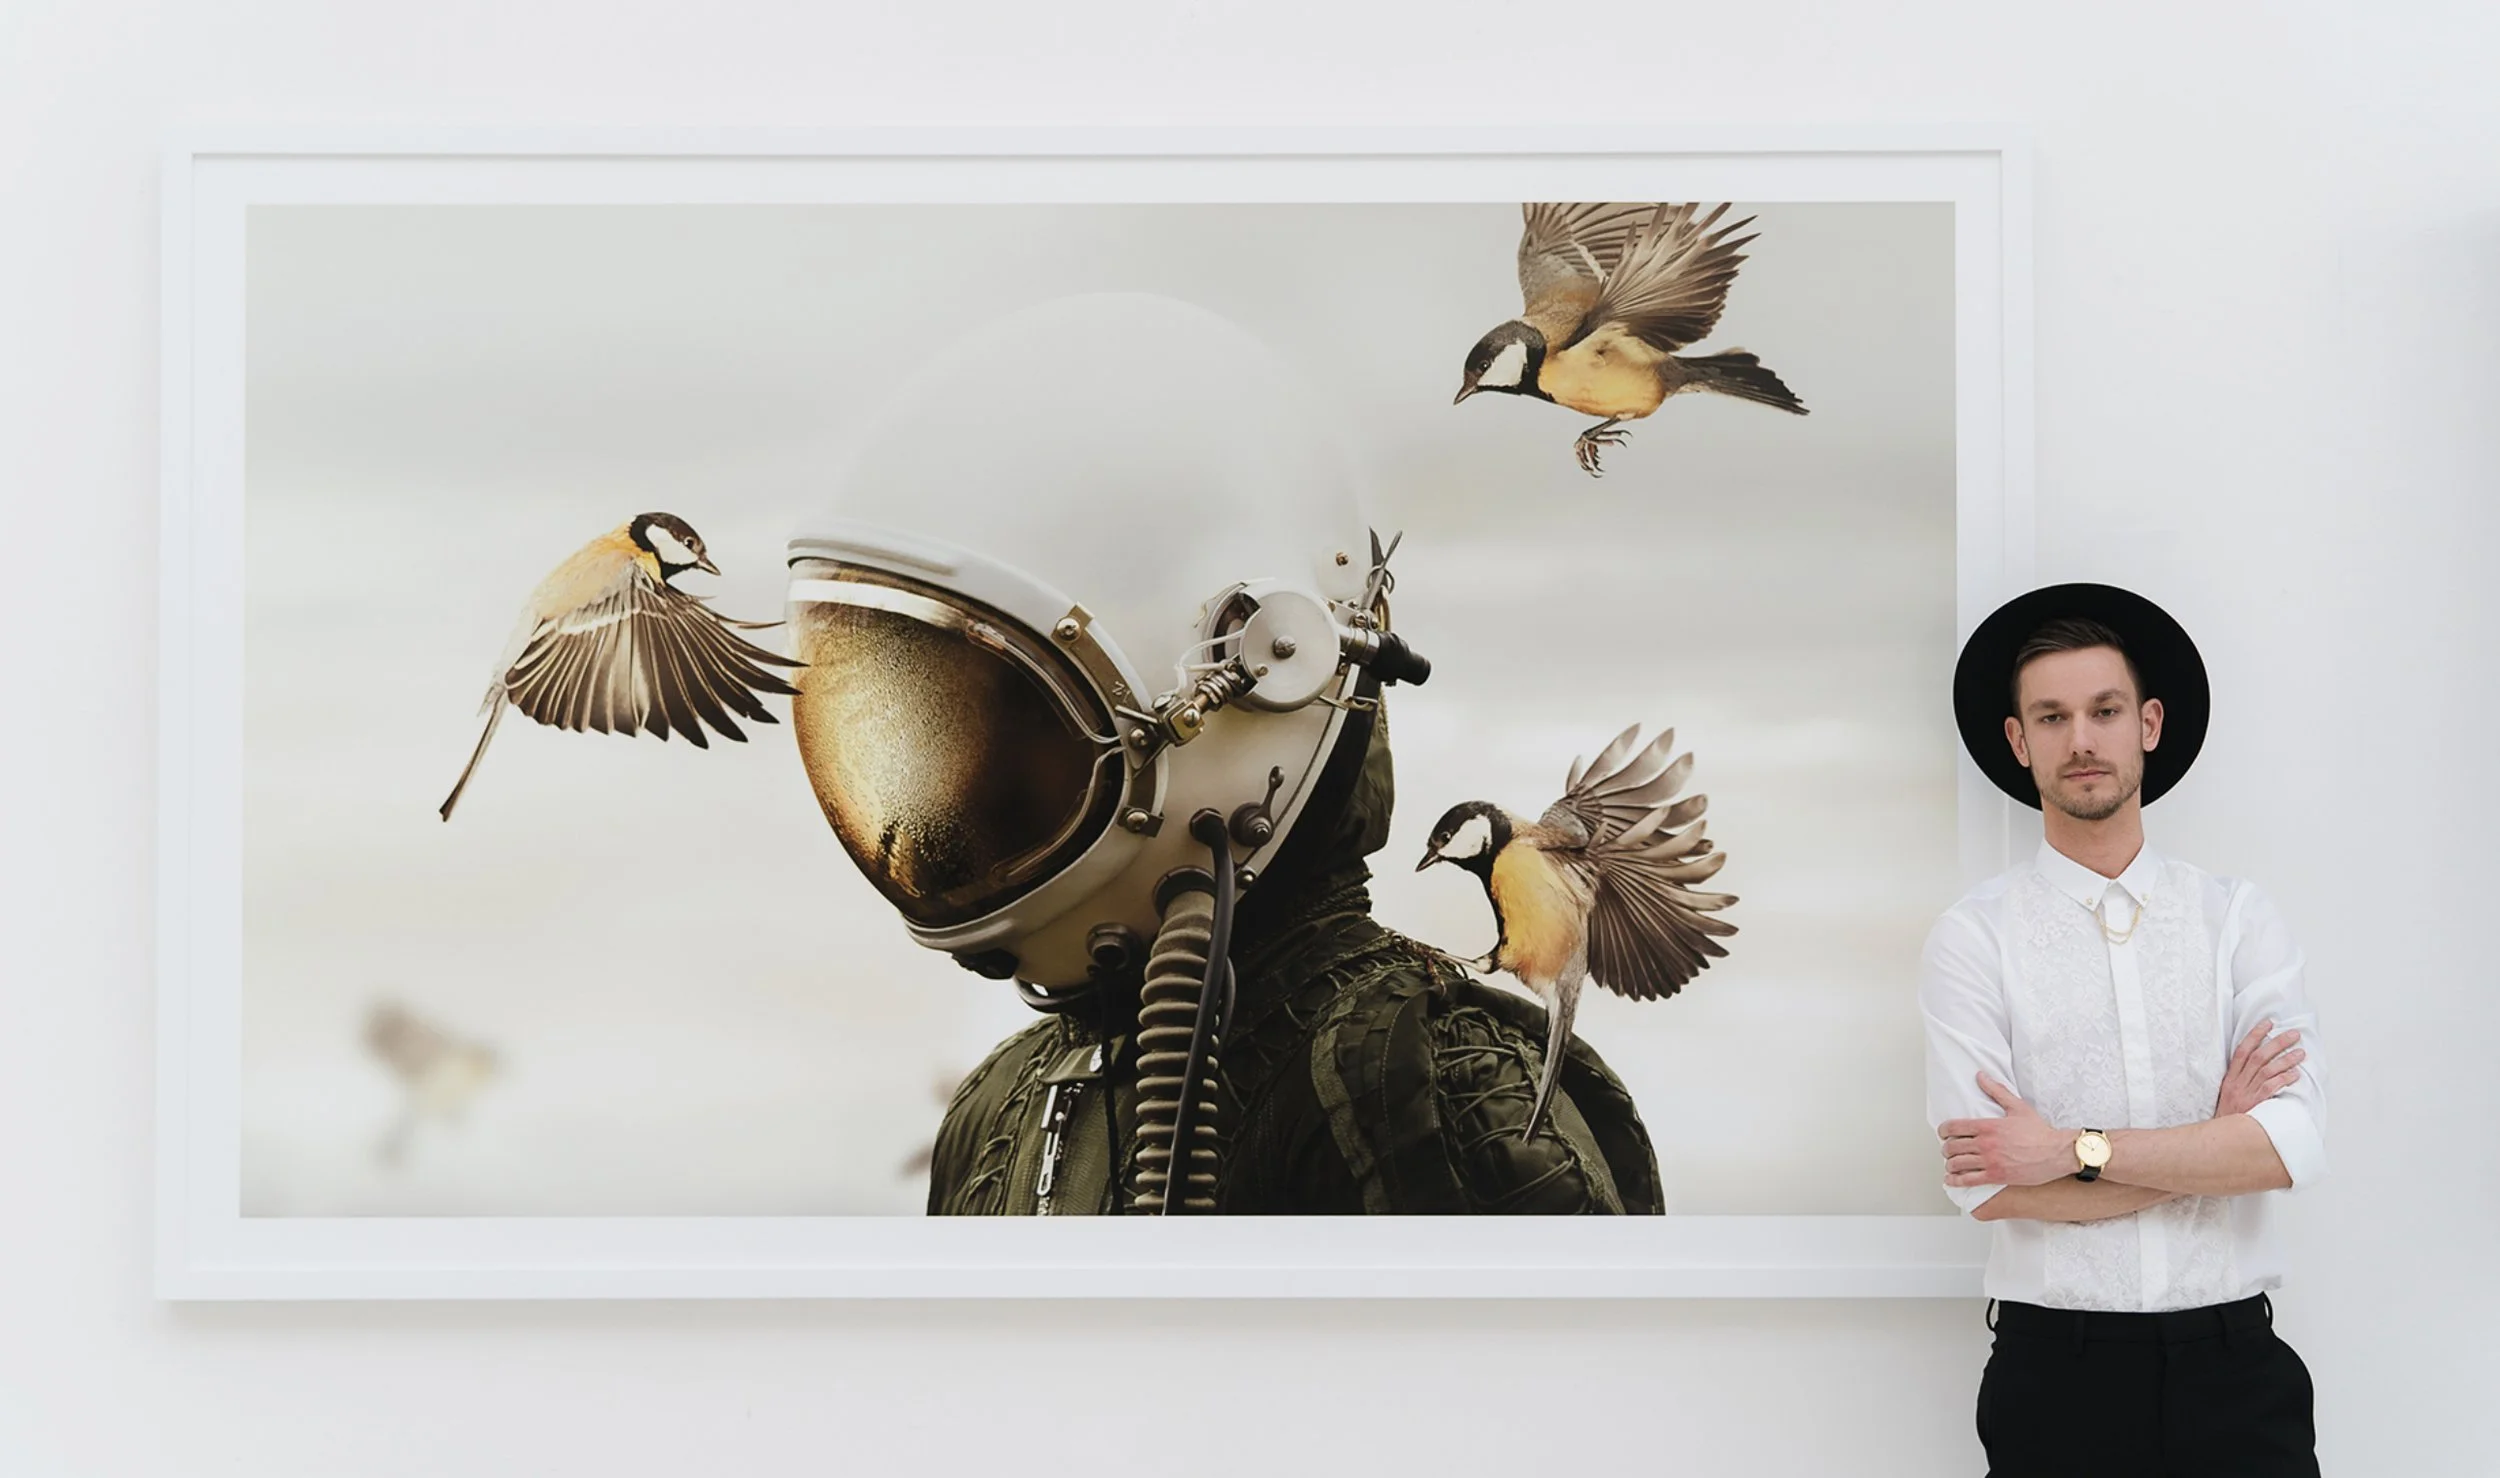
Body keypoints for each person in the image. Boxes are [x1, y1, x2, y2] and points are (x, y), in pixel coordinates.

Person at [782, 291, 1662, 1215]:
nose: (970, 787)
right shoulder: (1001, 1109)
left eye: (1011, 733)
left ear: (1276, 655)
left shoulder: (1422, 1084)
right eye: (939, 734)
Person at [1921, 583, 2326, 1476]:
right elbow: (1988, 1190)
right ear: (2020, 743)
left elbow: (2286, 1148)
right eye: (2053, 717)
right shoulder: (1974, 939)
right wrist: (2211, 1147)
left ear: (2148, 723)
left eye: (2104, 710)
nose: (2083, 740)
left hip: (2237, 1374)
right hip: (2056, 1379)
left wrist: (2072, 1149)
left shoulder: (2237, 920)